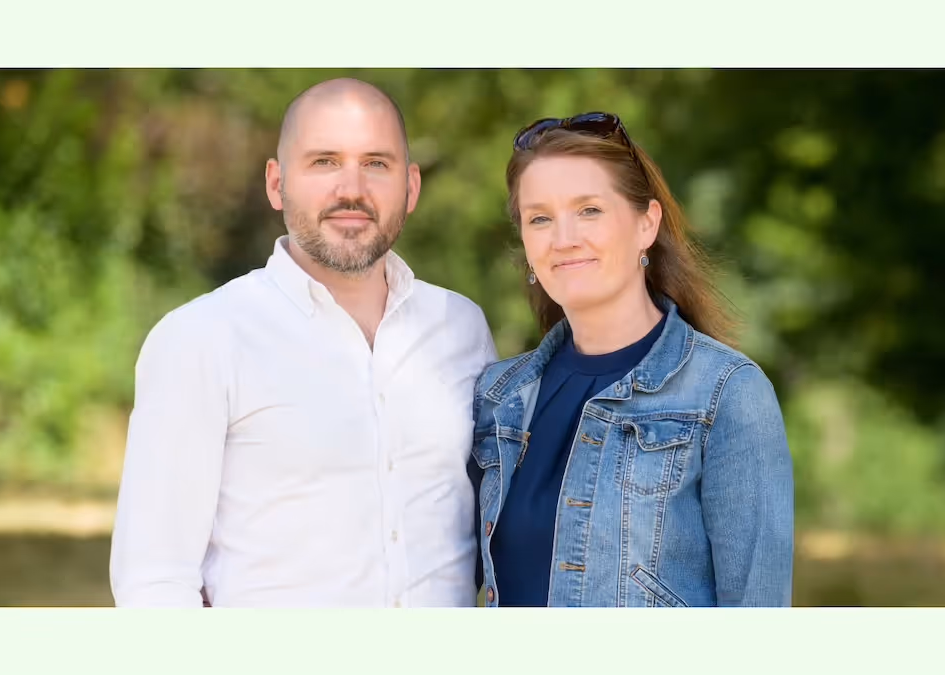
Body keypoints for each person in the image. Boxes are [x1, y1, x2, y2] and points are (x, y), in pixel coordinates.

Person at [109, 78, 499, 607]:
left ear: (411, 186)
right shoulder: (201, 338)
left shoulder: (462, 328)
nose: (351, 189)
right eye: (324, 162)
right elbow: (155, 581)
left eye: (376, 163)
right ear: (276, 183)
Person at [468, 113, 794, 607]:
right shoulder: (499, 397)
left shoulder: (726, 393)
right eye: (540, 218)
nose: (564, 238)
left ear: (646, 224)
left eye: (589, 210)